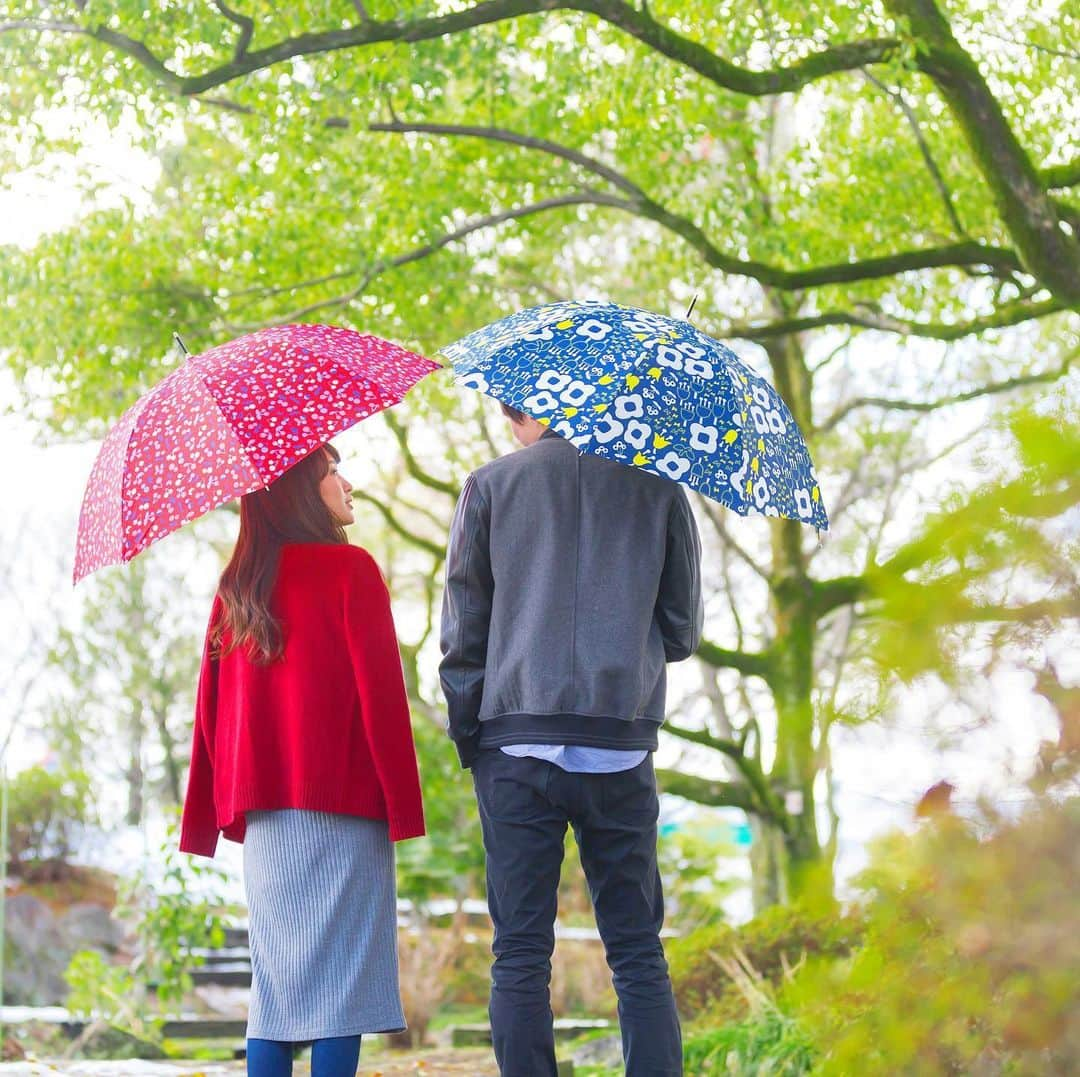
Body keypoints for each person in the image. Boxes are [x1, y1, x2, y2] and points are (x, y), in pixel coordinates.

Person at [440, 406, 703, 1077]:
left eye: (511, 418)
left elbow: (463, 631)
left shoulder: (489, 485)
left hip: (515, 744)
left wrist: (473, 737)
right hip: (620, 741)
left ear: (528, 409)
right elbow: (681, 631)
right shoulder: (660, 486)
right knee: (638, 948)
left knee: (521, 951)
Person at [180, 443, 425, 1077]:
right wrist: (403, 806)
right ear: (296, 493)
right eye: (331, 473)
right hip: (343, 808)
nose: (348, 483)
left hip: (264, 822)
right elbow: (383, 699)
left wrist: (209, 816)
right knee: (339, 994)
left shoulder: (238, 586)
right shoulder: (351, 572)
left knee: (277, 994)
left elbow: (211, 714)